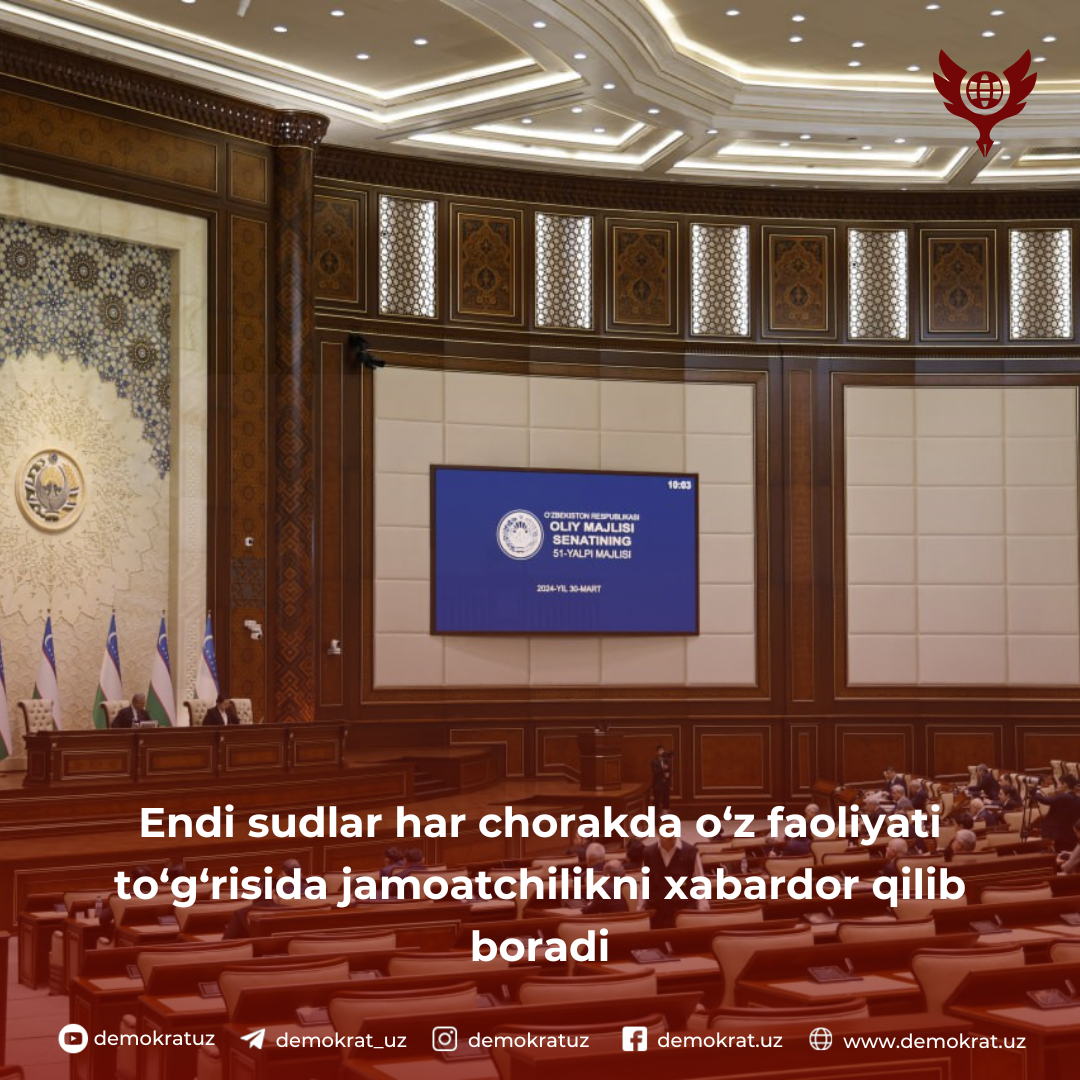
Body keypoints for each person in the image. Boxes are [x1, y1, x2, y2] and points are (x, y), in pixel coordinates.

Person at [640, 834, 706, 928]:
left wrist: (702, 913)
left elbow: (700, 885)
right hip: (657, 915)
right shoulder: (648, 853)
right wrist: (640, 912)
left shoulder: (691, 852)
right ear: (657, 831)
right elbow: (644, 886)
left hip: (684, 915)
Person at [1034, 775, 1080, 852]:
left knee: (1060, 854)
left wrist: (1036, 793)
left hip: (1061, 836)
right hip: (1073, 835)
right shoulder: (1077, 798)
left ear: (1065, 784)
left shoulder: (1063, 797)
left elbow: (1045, 800)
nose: (1057, 786)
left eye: (1059, 783)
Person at [651, 745, 672, 812]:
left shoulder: (666, 760)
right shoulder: (654, 761)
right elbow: (655, 772)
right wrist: (663, 769)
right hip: (658, 784)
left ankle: (666, 813)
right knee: (657, 801)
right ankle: (657, 814)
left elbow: (669, 770)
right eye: (660, 750)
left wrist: (668, 774)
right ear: (657, 752)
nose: (662, 751)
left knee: (666, 799)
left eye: (662, 750)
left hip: (666, 783)